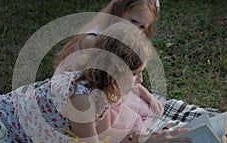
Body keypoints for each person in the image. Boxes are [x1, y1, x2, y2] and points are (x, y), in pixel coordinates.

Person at [0, 22, 192, 143]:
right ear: (116, 70)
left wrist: (143, 138)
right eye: (137, 73)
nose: (140, 81)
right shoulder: (82, 101)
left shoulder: (103, 91)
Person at [53, 0, 163, 134]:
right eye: (133, 21)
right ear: (118, 10)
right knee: (128, 121)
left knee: (144, 108)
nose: (135, 29)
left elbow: (121, 74)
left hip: (105, 83)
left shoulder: (119, 39)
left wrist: (148, 96)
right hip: (85, 91)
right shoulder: (93, 41)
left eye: (142, 27)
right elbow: (110, 77)